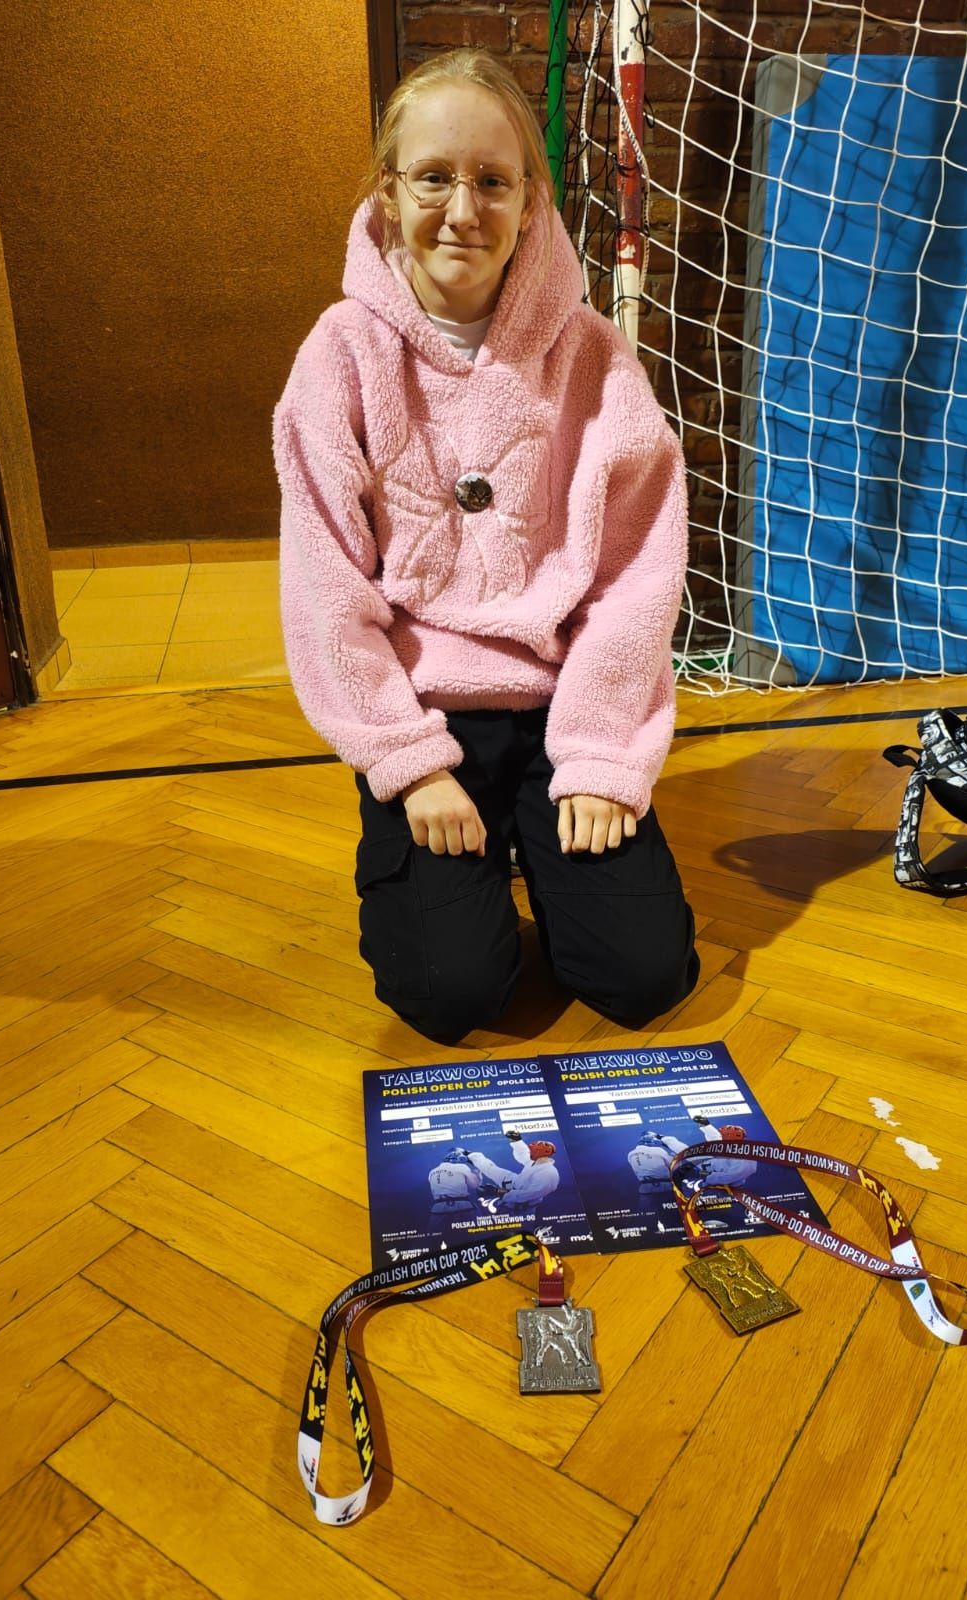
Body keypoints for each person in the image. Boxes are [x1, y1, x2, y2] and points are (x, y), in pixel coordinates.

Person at [274, 49, 700, 1044]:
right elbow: (326, 592)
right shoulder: (338, 359)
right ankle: (450, 857)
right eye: (434, 177)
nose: (462, 210)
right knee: (451, 994)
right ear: (388, 193)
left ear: (529, 202)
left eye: (492, 181)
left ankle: (549, 848)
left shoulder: (594, 357)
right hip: (428, 716)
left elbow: (636, 574)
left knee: (645, 976)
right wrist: (409, 761)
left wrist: (598, 752)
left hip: (562, 707)